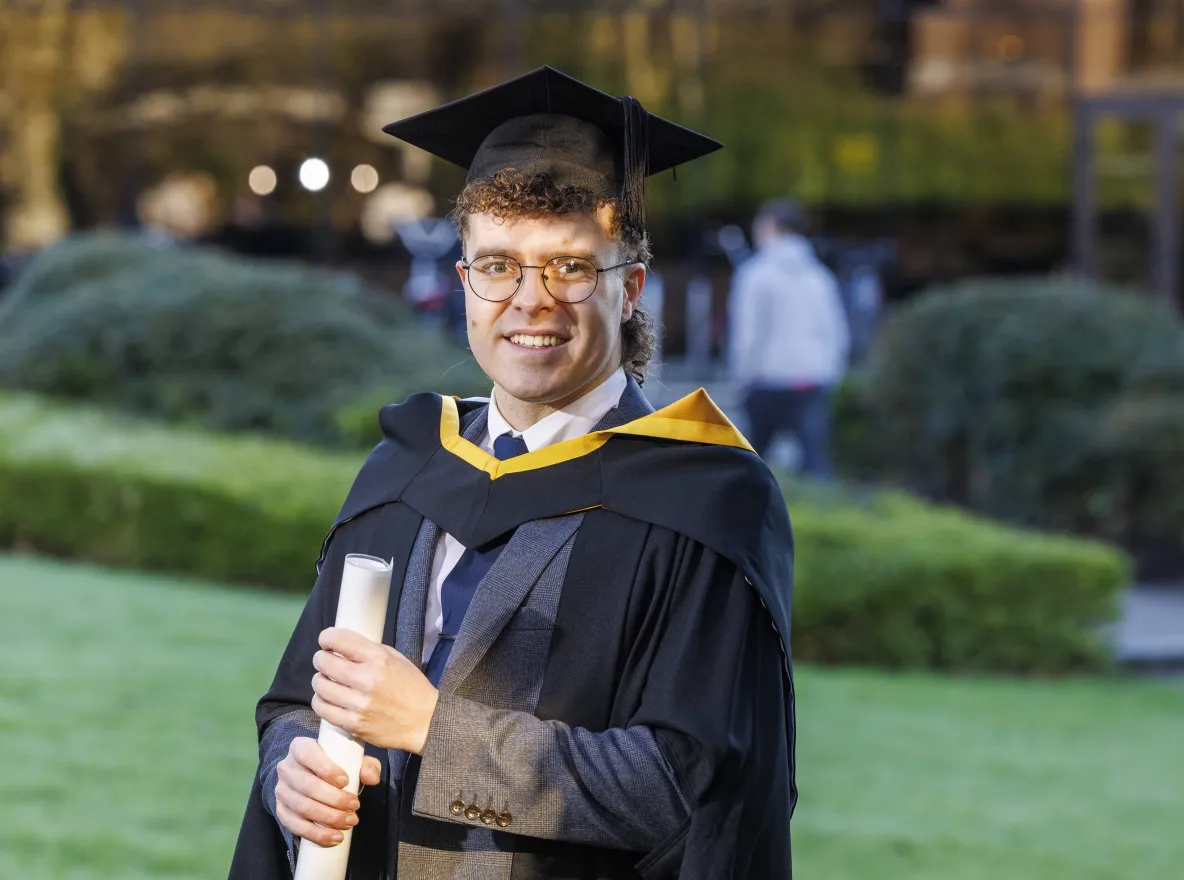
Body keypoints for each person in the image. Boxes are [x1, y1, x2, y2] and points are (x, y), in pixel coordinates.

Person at [229, 66, 797, 880]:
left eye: (569, 267)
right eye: (496, 265)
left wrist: (434, 728)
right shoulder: (408, 465)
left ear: (629, 288)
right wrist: (292, 773)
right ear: (463, 280)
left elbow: (692, 787)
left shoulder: (704, 501)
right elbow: (297, 702)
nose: (529, 300)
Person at [728, 199, 850, 478]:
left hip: (767, 379)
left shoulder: (755, 274)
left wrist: (741, 376)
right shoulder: (820, 276)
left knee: (751, 465)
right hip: (812, 377)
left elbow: (748, 334)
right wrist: (832, 371)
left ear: (771, 227)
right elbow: (835, 330)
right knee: (816, 463)